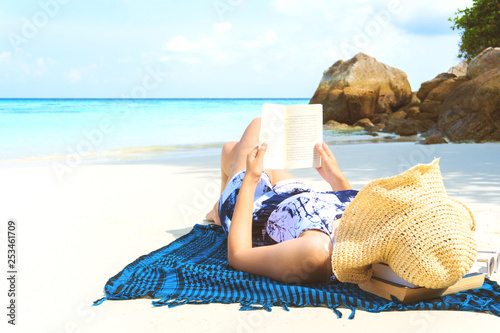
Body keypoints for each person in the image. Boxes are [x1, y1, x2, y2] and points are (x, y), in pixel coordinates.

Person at [205, 117, 358, 283]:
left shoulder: (316, 250)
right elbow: (345, 202)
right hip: (294, 195)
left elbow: (238, 255)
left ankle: (222, 210)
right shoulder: (368, 217)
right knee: (236, 148)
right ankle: (219, 206)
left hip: (254, 208)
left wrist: (250, 180)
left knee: (250, 133)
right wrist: (335, 176)